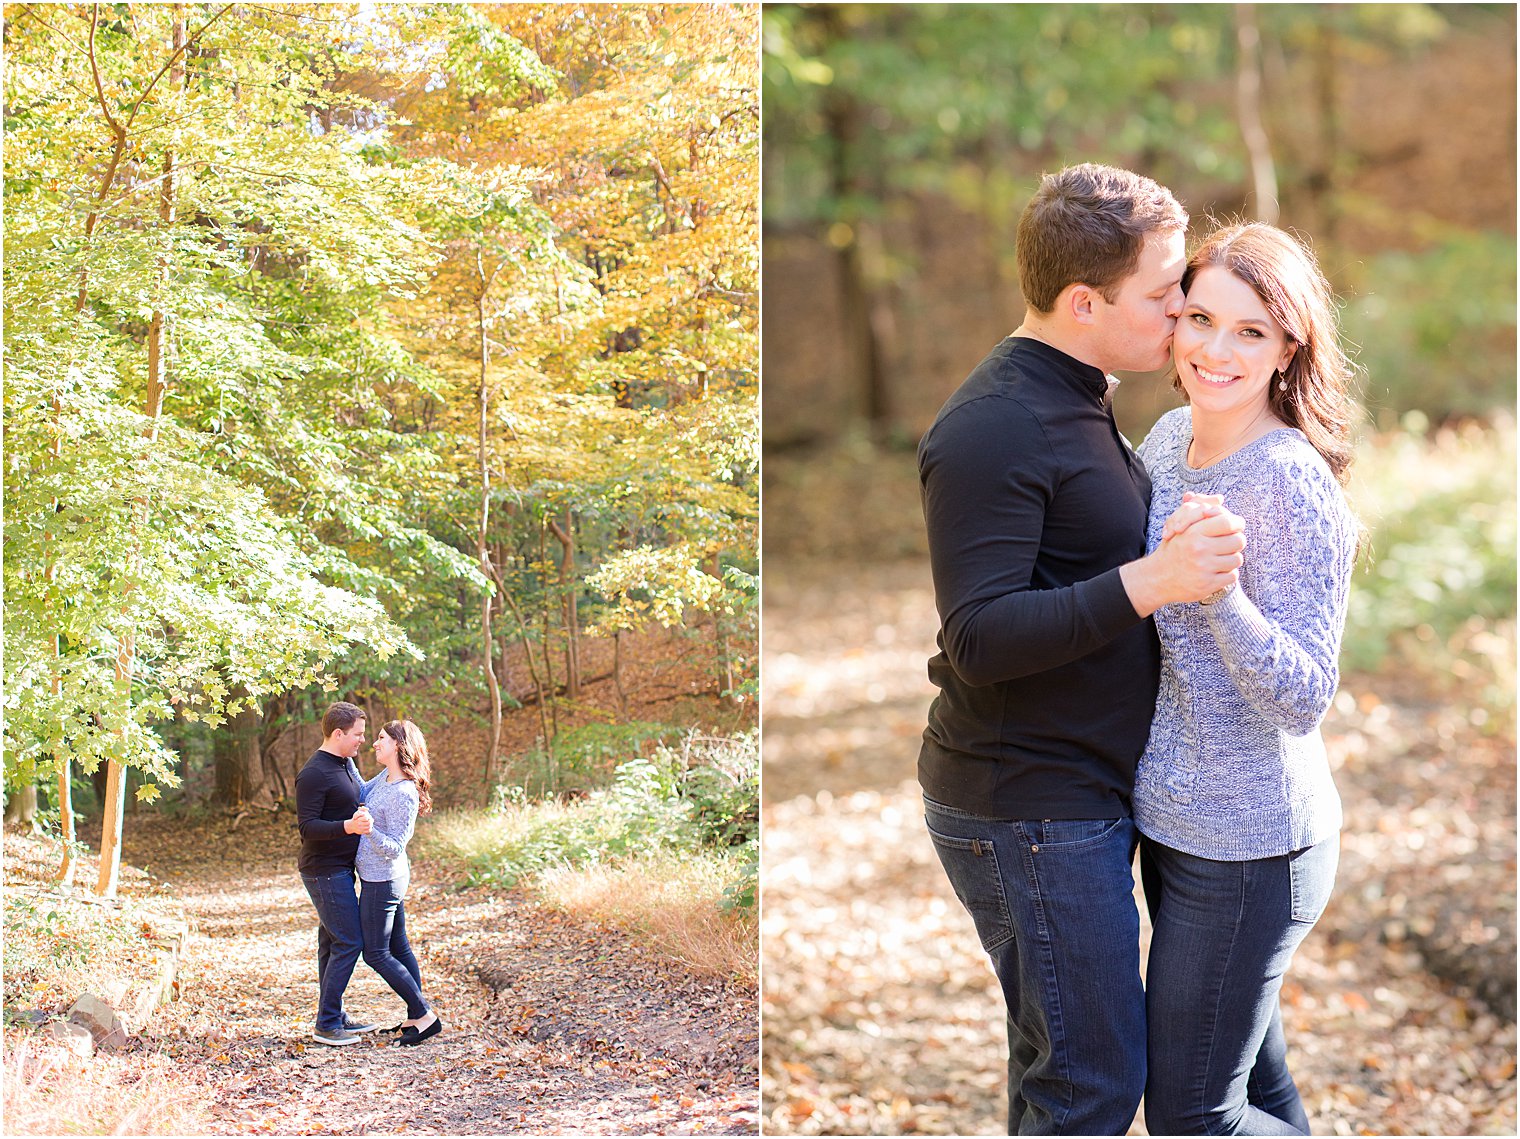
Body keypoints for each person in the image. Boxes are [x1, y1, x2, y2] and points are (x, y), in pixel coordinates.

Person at [917, 163, 1248, 1134]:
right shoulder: (991, 427)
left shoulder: (1076, 391)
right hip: (1024, 802)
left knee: (1064, 1074)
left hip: (1076, 794)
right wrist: (1156, 581)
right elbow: (976, 635)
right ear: (1079, 302)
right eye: (1159, 293)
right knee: (1089, 1086)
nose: (1181, 307)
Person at [1134, 222, 1360, 1135]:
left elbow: (1304, 693)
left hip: (1253, 844)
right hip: (1171, 820)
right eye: (1199, 319)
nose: (1214, 350)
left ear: (1287, 348)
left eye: (1250, 332)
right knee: (1257, 1096)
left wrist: (1219, 593)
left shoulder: (1289, 479)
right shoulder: (1167, 435)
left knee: (1193, 1114)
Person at [296, 701, 379, 1046]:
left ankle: (334, 1014)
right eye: (358, 734)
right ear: (338, 733)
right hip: (323, 870)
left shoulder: (344, 763)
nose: (362, 740)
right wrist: (348, 827)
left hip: (341, 867)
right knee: (350, 941)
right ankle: (327, 1023)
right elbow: (308, 827)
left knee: (332, 942)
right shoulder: (314, 773)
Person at [358, 719, 442, 1046]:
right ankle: (415, 1018)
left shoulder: (405, 792)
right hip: (378, 877)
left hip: (384, 881)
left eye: (381, 738)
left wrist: (369, 830)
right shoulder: (385, 778)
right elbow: (362, 791)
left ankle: (425, 1015)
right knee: (398, 947)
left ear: (398, 745)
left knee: (376, 953)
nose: (375, 743)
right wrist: (343, 758)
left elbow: (395, 846)